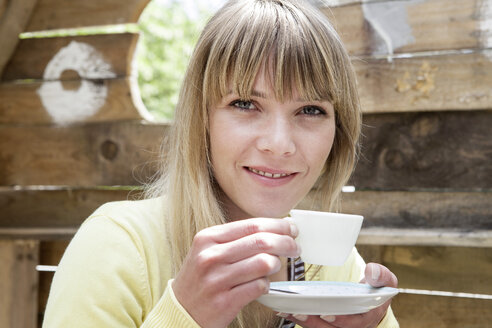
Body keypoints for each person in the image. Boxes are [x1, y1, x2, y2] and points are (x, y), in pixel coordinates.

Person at [43, 0, 399, 327]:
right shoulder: (117, 246)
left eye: (310, 110)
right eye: (245, 103)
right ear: (202, 118)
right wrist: (184, 315)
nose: (279, 144)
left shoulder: (336, 267)